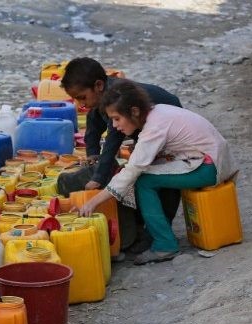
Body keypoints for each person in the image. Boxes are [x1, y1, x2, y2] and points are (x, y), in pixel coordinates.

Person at [77, 79, 236, 265]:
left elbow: (132, 171)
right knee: (142, 175)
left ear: (134, 112)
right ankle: (156, 234)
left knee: (144, 181)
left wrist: (93, 202)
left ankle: (164, 244)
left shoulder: (154, 127)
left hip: (209, 166)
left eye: (117, 119)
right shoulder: (157, 113)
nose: (115, 126)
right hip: (205, 159)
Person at [60, 57, 183, 254]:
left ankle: (157, 234)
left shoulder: (116, 98)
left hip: (166, 128)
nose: (80, 104)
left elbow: (112, 140)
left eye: (82, 97)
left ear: (98, 86)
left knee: (161, 174)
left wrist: (98, 177)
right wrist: (92, 154)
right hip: (145, 128)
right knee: (140, 173)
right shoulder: (102, 98)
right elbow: (93, 123)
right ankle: (142, 224)